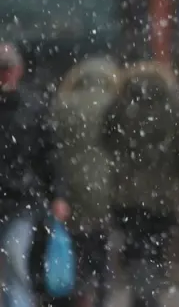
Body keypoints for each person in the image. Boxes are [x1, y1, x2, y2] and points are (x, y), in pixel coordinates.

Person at [101, 61, 179, 307]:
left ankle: (141, 293)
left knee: (133, 249)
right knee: (156, 249)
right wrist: (173, 174)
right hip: (161, 196)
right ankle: (149, 293)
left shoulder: (120, 103)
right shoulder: (172, 105)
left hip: (126, 195)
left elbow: (104, 139)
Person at [0, 43, 70, 307]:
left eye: (6, 69)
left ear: (17, 70)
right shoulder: (32, 107)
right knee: (17, 270)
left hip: (20, 201)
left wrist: (58, 195)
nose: (4, 75)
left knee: (17, 269)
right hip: (20, 197)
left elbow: (50, 156)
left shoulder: (32, 108)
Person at [50, 57, 121, 307]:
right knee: (101, 249)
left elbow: (53, 147)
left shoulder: (63, 105)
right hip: (104, 189)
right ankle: (101, 295)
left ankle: (78, 294)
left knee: (75, 249)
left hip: (72, 190)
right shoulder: (115, 104)